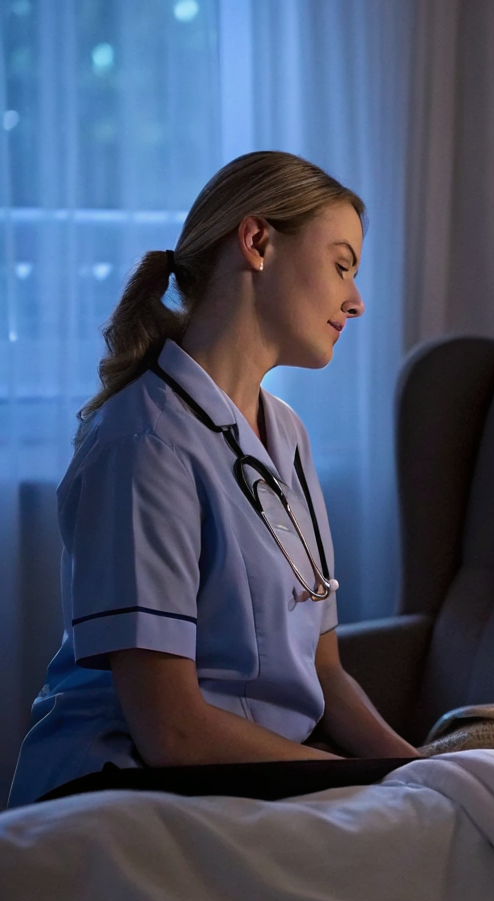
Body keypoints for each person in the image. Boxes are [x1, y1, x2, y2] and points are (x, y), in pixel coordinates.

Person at [9, 152, 419, 808]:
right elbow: (172, 731)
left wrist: (424, 772)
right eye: (342, 265)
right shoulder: (143, 441)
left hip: (252, 786)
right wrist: (355, 783)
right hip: (125, 791)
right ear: (257, 242)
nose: (357, 300)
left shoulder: (284, 434)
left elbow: (324, 671)